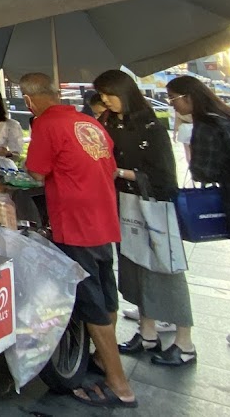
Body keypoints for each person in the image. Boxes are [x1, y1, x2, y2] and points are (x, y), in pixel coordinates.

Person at [21, 72, 136, 408]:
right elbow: (108, 167)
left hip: (75, 225)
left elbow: (36, 172)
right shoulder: (90, 123)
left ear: (29, 101)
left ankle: (119, 385)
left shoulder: (45, 125)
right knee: (106, 295)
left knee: (90, 304)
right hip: (103, 221)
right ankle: (104, 360)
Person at [93, 69, 195, 367]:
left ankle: (184, 342)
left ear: (124, 92)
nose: (105, 101)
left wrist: (122, 173)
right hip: (123, 203)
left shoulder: (150, 124)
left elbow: (164, 176)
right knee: (133, 267)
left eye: (109, 94)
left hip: (153, 204)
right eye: (101, 95)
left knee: (165, 270)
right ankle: (146, 332)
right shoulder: (109, 122)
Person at [166, 75, 230, 350]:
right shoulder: (227, 115)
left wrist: (188, 141)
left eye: (173, 100)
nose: (173, 107)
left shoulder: (206, 126)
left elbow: (203, 171)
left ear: (187, 97)